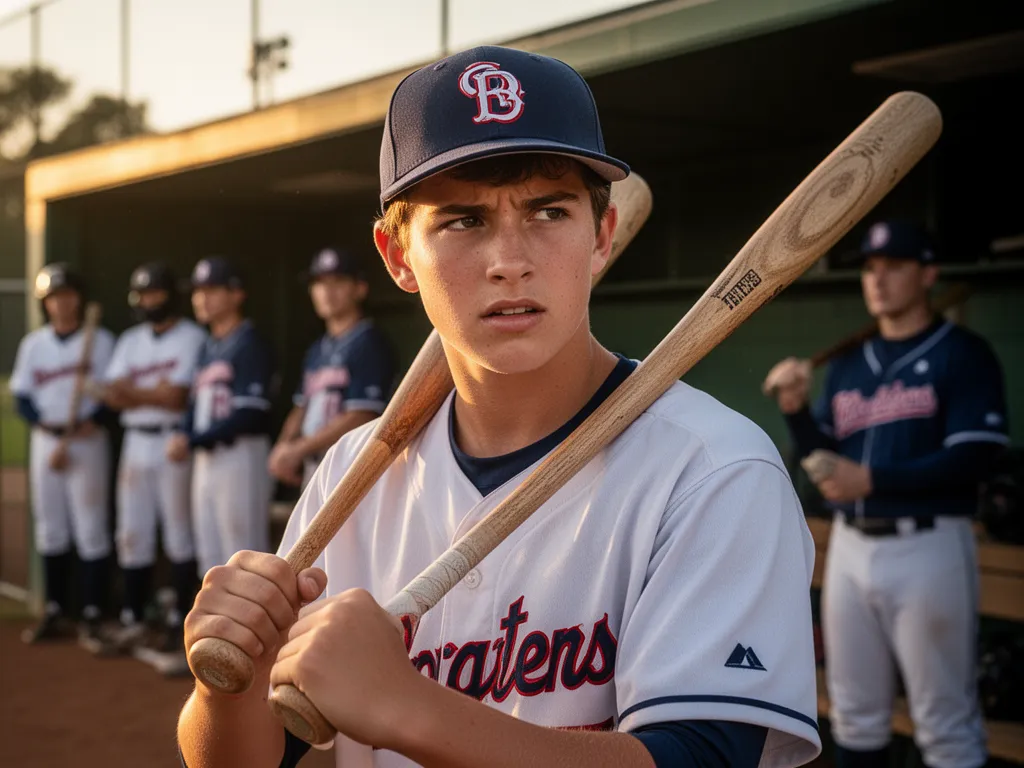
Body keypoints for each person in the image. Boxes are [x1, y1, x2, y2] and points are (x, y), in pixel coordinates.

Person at [179, 46, 821, 768]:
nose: (509, 259)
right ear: (396, 256)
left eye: (549, 211)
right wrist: (225, 691)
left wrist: (408, 707)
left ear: (601, 236)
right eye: (463, 221)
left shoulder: (714, 469)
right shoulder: (351, 476)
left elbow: (698, 758)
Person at [763, 220, 1009, 768]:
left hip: (929, 543)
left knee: (945, 723)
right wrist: (798, 413)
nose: (878, 279)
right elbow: (827, 456)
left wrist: (874, 482)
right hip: (851, 546)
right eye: (871, 269)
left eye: (894, 266)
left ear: (928, 274)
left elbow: (977, 453)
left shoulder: (962, 353)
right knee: (853, 715)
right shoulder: (852, 362)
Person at [91, 262, 207, 668]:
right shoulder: (130, 340)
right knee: (131, 533)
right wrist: (148, 393)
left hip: (172, 440)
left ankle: (178, 621)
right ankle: (134, 617)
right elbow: (109, 394)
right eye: (142, 295)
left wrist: (133, 392)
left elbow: (176, 398)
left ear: (170, 294)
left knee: (179, 533)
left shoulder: (192, 337)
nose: (147, 301)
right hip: (135, 443)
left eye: (154, 293)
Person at [9, 263, 115, 649]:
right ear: (45, 304)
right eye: (54, 297)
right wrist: (46, 426)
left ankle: (91, 613)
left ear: (79, 299)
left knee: (91, 528)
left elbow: (115, 393)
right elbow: (22, 397)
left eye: (68, 295)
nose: (62, 303)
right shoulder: (34, 344)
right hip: (47, 440)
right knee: (51, 526)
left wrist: (95, 419)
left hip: (87, 439)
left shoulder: (100, 341)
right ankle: (55, 608)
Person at [167, 257, 275, 580]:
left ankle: (256, 632)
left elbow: (251, 414)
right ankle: (217, 631)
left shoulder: (251, 344)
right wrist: (184, 432)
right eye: (198, 291)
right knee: (211, 558)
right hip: (207, 458)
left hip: (240, 455)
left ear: (236, 294)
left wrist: (191, 439)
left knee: (243, 555)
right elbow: (193, 403)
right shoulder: (209, 346)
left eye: (211, 290)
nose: (201, 298)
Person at [268, 247, 395, 488]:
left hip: (352, 464)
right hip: (316, 461)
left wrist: (297, 449)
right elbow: (301, 405)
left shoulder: (369, 343)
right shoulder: (318, 347)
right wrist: (283, 447)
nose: (326, 291)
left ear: (360, 289)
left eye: (337, 282)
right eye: (319, 283)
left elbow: (362, 414)